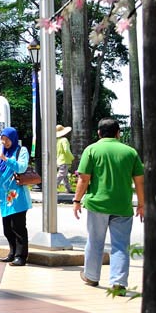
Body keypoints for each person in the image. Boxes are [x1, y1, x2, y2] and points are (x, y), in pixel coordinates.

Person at [73, 117, 144, 290]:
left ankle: (91, 276)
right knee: (121, 245)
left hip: (97, 204)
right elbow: (140, 181)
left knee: (95, 241)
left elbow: (84, 179)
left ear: (99, 133)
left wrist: (77, 200)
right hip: (123, 206)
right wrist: (142, 204)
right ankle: (118, 282)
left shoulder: (92, 150)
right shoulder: (130, 152)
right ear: (118, 133)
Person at [0, 126, 33, 266]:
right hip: (4, 196)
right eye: (3, 139)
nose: (5, 142)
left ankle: (21, 256)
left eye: (7, 139)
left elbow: (21, 167)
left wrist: (5, 158)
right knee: (7, 228)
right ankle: (12, 253)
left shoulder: (21, 150)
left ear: (13, 138)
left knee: (18, 227)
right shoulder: (3, 150)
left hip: (17, 195)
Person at [56, 125, 74, 191]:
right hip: (64, 160)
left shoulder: (57, 140)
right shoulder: (64, 140)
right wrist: (72, 157)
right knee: (61, 175)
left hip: (59, 160)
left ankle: (68, 188)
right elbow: (66, 150)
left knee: (65, 175)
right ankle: (53, 186)